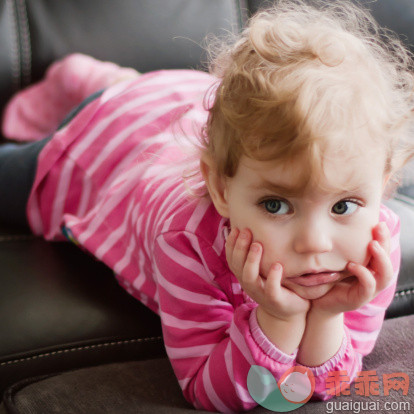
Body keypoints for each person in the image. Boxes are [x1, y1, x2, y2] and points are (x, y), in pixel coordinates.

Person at [0, 0, 413, 411]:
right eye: (275, 205)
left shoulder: (375, 244)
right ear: (219, 189)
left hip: (187, 102)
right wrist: (280, 321)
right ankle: (96, 83)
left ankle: (107, 77)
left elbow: (323, 383)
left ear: (384, 184)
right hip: (109, 134)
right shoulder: (188, 239)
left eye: (342, 207)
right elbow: (207, 391)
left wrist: (325, 317)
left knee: (157, 95)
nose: (315, 243)